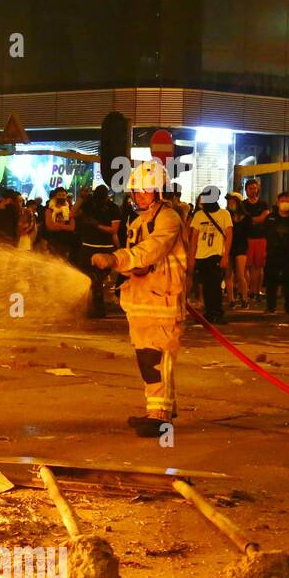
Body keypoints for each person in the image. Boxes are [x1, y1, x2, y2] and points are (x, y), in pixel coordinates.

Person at [91, 161, 187, 437]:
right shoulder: (140, 219)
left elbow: (149, 251)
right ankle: (157, 410)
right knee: (147, 359)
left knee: (158, 359)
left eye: (147, 190)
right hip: (142, 300)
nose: (141, 194)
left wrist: (116, 258)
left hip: (163, 301)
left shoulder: (168, 218)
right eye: (137, 190)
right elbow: (141, 261)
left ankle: (161, 418)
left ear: (159, 191)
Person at [186, 186, 231, 324]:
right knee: (205, 285)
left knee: (215, 285)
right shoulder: (199, 215)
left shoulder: (224, 215)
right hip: (201, 255)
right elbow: (194, 237)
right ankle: (209, 312)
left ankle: (216, 312)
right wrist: (192, 257)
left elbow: (229, 235)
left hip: (215, 254)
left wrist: (225, 255)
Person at [75, 185, 121, 317]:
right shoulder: (90, 205)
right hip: (91, 247)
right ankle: (94, 307)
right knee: (94, 280)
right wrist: (81, 199)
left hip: (100, 248)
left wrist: (96, 225)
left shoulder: (112, 208)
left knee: (96, 280)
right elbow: (72, 214)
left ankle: (97, 309)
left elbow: (113, 230)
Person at [261, 192, 289, 315]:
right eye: (282, 200)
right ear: (277, 203)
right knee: (271, 281)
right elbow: (266, 233)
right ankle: (270, 306)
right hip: (273, 253)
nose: (285, 203)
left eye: (287, 201)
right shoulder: (270, 218)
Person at [240, 178, 270, 303]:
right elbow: (243, 219)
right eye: (250, 188)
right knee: (246, 266)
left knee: (259, 266)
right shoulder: (242, 204)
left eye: (254, 188)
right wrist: (257, 218)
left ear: (258, 189)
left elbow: (265, 217)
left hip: (260, 238)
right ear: (246, 190)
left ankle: (257, 291)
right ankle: (247, 291)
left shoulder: (263, 203)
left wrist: (251, 219)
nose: (253, 190)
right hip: (246, 238)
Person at [225, 192, 248, 307]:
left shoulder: (246, 217)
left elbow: (248, 233)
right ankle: (231, 300)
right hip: (228, 246)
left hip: (241, 246)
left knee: (240, 274)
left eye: (233, 201)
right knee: (228, 274)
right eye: (229, 202)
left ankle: (244, 298)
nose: (230, 204)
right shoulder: (225, 215)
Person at [42, 187, 76, 259]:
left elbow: (72, 227)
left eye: (63, 195)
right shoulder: (49, 210)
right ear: (55, 197)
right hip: (53, 243)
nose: (61, 197)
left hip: (66, 243)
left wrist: (57, 225)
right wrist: (65, 226)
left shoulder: (69, 210)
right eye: (59, 195)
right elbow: (50, 227)